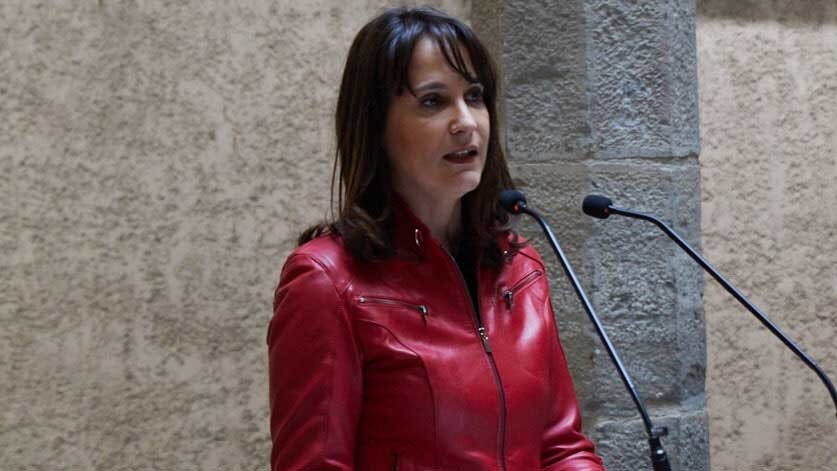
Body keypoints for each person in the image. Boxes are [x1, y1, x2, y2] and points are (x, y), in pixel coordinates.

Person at [267, 6, 605, 470]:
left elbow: (561, 447)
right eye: (433, 101)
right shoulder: (327, 281)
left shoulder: (521, 268)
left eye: (475, 95)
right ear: (376, 126)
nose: (466, 121)